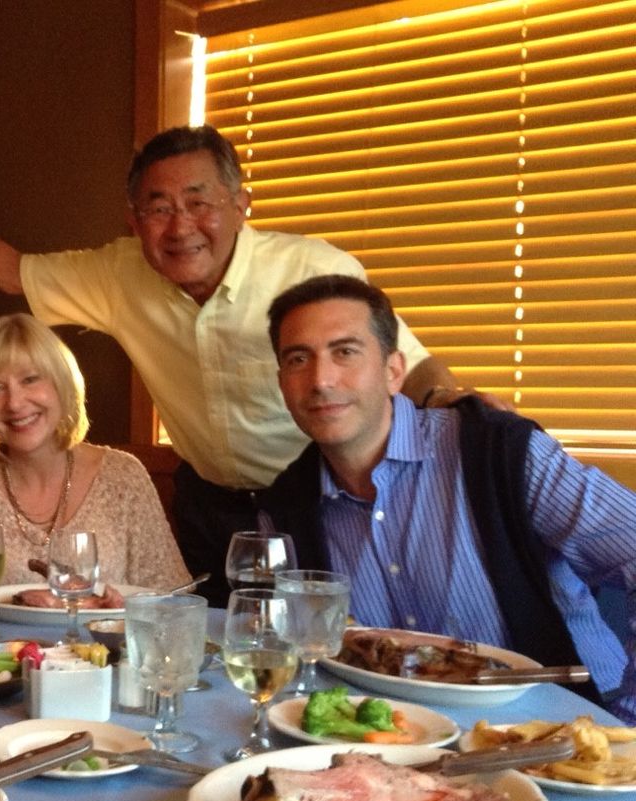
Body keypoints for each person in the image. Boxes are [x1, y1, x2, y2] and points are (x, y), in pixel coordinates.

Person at [0, 124, 504, 604]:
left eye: (199, 203)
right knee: (210, 657)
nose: (180, 226)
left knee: (313, 648)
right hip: (207, 503)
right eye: (159, 208)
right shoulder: (118, 275)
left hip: (310, 497)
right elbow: (10, 271)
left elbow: (407, 364)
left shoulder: (309, 269)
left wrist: (450, 402)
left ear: (241, 204)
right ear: (134, 220)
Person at [258, 273, 636, 722]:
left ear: (394, 372)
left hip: (573, 728)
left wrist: (627, 720)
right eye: (299, 359)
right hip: (403, 740)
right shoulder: (286, 508)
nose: (321, 379)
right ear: (282, 383)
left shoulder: (499, 454)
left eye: (345, 352)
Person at [0, 313, 188, 590]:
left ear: (63, 384)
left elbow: (170, 596)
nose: (14, 403)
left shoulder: (124, 477)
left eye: (30, 379)